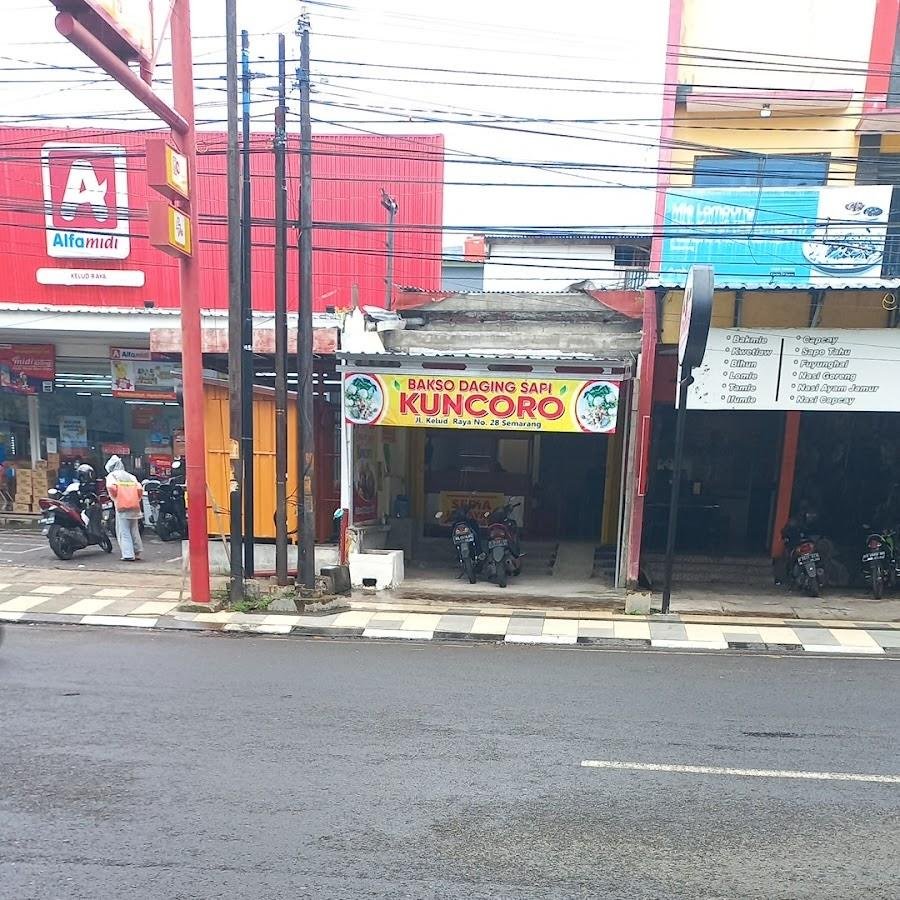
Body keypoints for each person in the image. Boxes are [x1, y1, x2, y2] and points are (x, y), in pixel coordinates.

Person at [105, 455, 144, 562]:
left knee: (124, 531)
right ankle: (137, 552)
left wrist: (117, 497)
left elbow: (111, 487)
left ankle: (128, 554)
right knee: (134, 530)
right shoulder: (130, 476)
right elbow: (140, 488)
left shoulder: (112, 476)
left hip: (122, 506)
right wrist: (136, 499)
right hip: (134, 506)